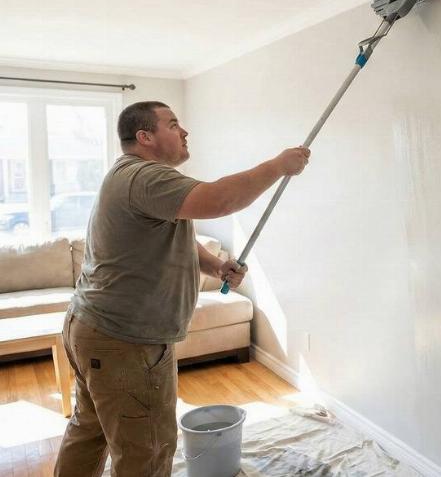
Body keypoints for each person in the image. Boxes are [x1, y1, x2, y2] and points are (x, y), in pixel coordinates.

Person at [54, 101, 310, 476]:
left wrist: (216, 266)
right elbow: (220, 199)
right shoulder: (145, 176)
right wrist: (278, 166)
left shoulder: (133, 179)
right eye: (173, 125)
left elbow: (176, 238)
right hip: (125, 342)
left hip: (94, 330)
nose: (185, 131)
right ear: (145, 137)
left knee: (90, 430)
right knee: (147, 450)